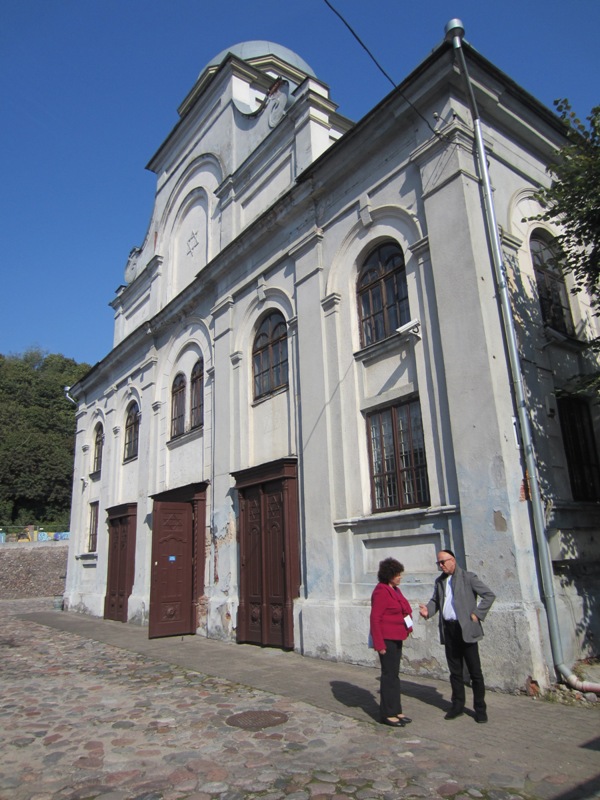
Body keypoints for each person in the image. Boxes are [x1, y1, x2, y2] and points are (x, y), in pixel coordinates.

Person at [419, 549, 495, 723]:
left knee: (475, 672)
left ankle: (480, 709)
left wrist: (478, 613)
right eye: (438, 563)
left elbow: (489, 595)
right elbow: (435, 601)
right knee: (455, 672)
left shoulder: (468, 578)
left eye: (443, 562)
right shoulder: (440, 582)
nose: (441, 565)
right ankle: (457, 706)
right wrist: (427, 611)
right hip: (449, 630)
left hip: (466, 629)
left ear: (452, 560)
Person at [370, 557, 414, 727]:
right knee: (388, 676)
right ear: (388, 575)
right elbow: (375, 618)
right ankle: (387, 714)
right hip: (387, 639)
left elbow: (403, 609)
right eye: (397, 574)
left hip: (397, 637)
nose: (400, 577)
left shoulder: (395, 590)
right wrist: (379, 644)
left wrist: (408, 627)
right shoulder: (381, 591)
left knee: (395, 676)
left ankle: (396, 710)